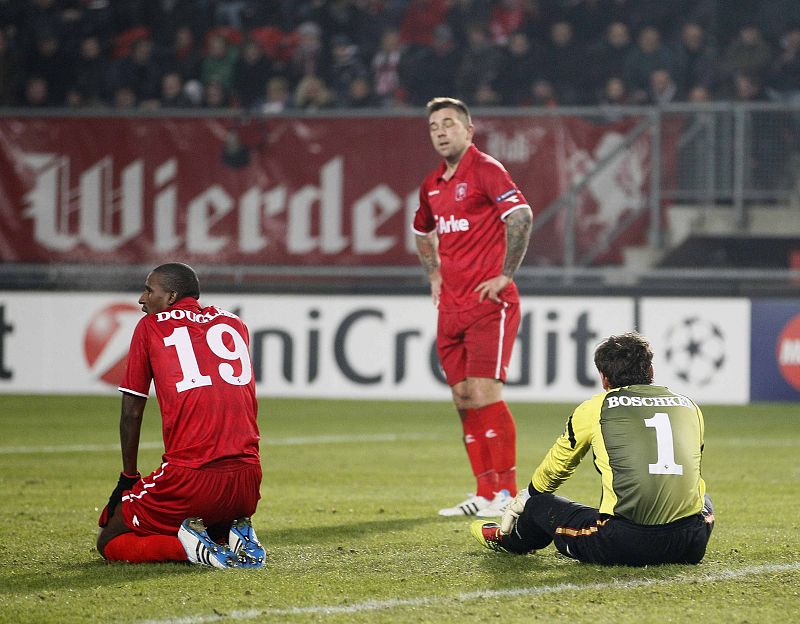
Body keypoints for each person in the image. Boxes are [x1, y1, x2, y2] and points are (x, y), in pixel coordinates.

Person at [471, 332, 715, 566]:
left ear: (604, 379)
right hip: (690, 542)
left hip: (624, 542)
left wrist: (530, 496)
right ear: (651, 371)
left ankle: (510, 540)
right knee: (703, 497)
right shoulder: (689, 405)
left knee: (539, 504)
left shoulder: (597, 407)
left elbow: (557, 467)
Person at [96, 262, 265, 569]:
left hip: (191, 477)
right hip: (248, 482)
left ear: (171, 296)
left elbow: (132, 410)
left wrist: (128, 478)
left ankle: (191, 550)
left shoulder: (151, 326)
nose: (141, 299)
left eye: (149, 290)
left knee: (110, 538)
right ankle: (232, 535)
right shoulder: (234, 323)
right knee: (204, 521)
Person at [412, 97, 533, 518]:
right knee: (463, 397)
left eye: (449, 124)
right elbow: (422, 231)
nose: (441, 131)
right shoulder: (432, 184)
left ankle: (509, 494)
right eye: (433, 126)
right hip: (452, 306)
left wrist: (505, 274)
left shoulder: (486, 169)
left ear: (468, 129)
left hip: (489, 302)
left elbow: (520, 217)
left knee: (484, 391)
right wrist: (434, 274)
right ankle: (484, 494)